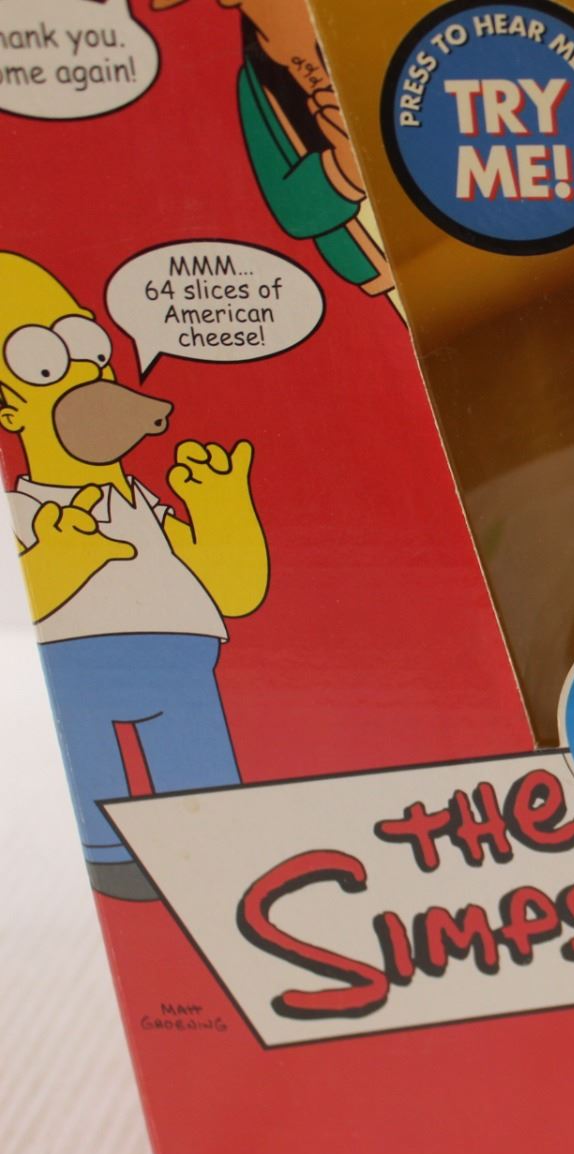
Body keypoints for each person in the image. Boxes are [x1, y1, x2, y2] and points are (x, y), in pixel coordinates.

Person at [1, 253, 268, 900]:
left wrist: (225, 509)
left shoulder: (142, 503)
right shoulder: (32, 512)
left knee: (201, 778)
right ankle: (113, 859)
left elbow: (234, 592)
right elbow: (41, 594)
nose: (83, 377)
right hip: (79, 664)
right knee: (97, 770)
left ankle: (222, 853)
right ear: (10, 409)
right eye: (44, 364)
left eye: (88, 351)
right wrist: (64, 555)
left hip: (184, 659)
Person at [152, 0, 400, 312]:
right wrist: (341, 173)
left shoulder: (364, 31)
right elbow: (290, 207)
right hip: (375, 262)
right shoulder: (256, 86)